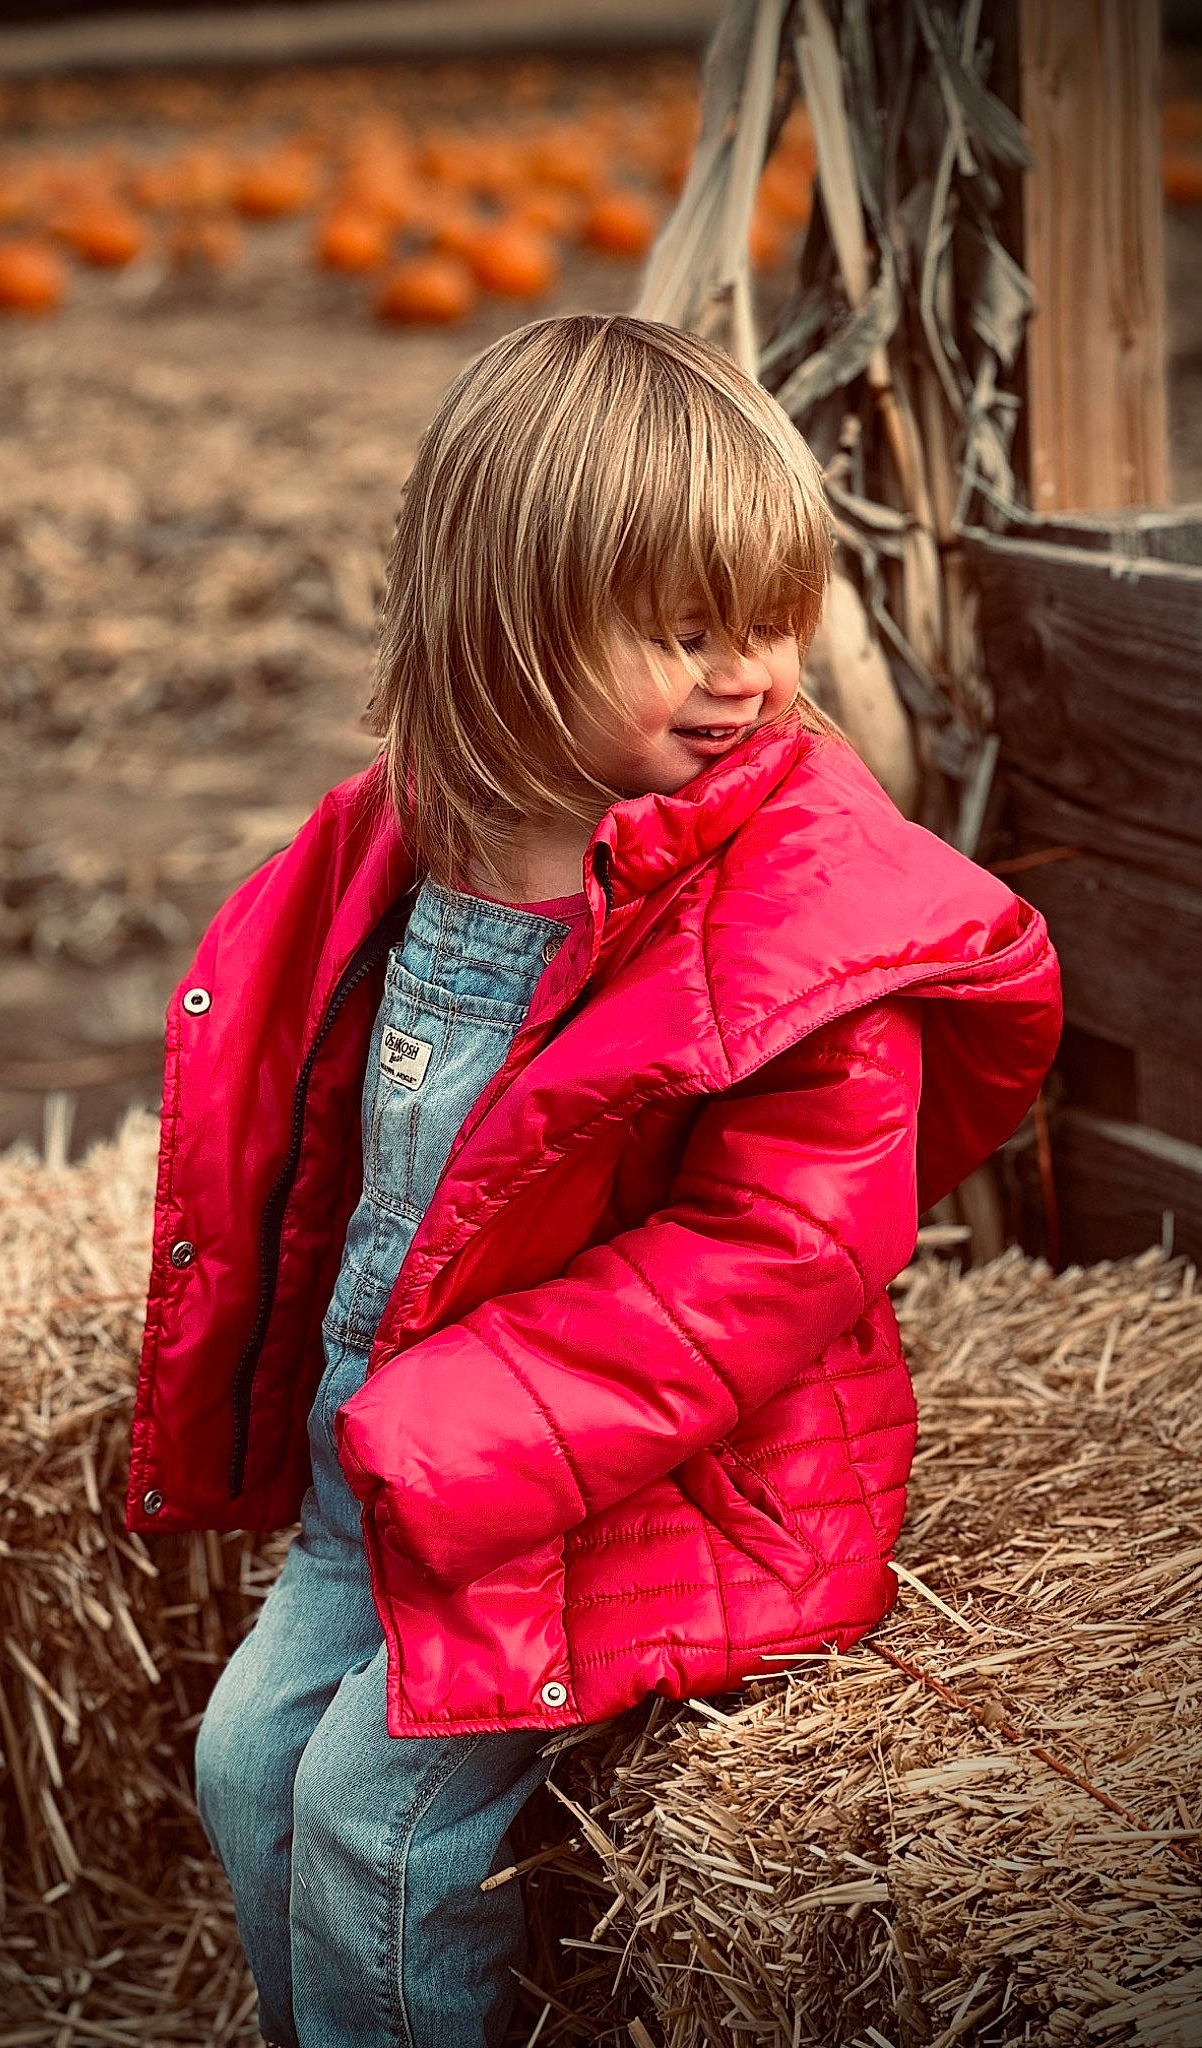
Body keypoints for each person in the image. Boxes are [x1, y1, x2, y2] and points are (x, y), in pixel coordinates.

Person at [124, 313, 1062, 2047]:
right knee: (245, 1757)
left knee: (372, 1823)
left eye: (771, 620)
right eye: (684, 630)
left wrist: (459, 1425)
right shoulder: (411, 839)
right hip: (386, 1465)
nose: (748, 674)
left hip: (617, 1490)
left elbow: (780, 1255)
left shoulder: (802, 919)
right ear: (509, 623)